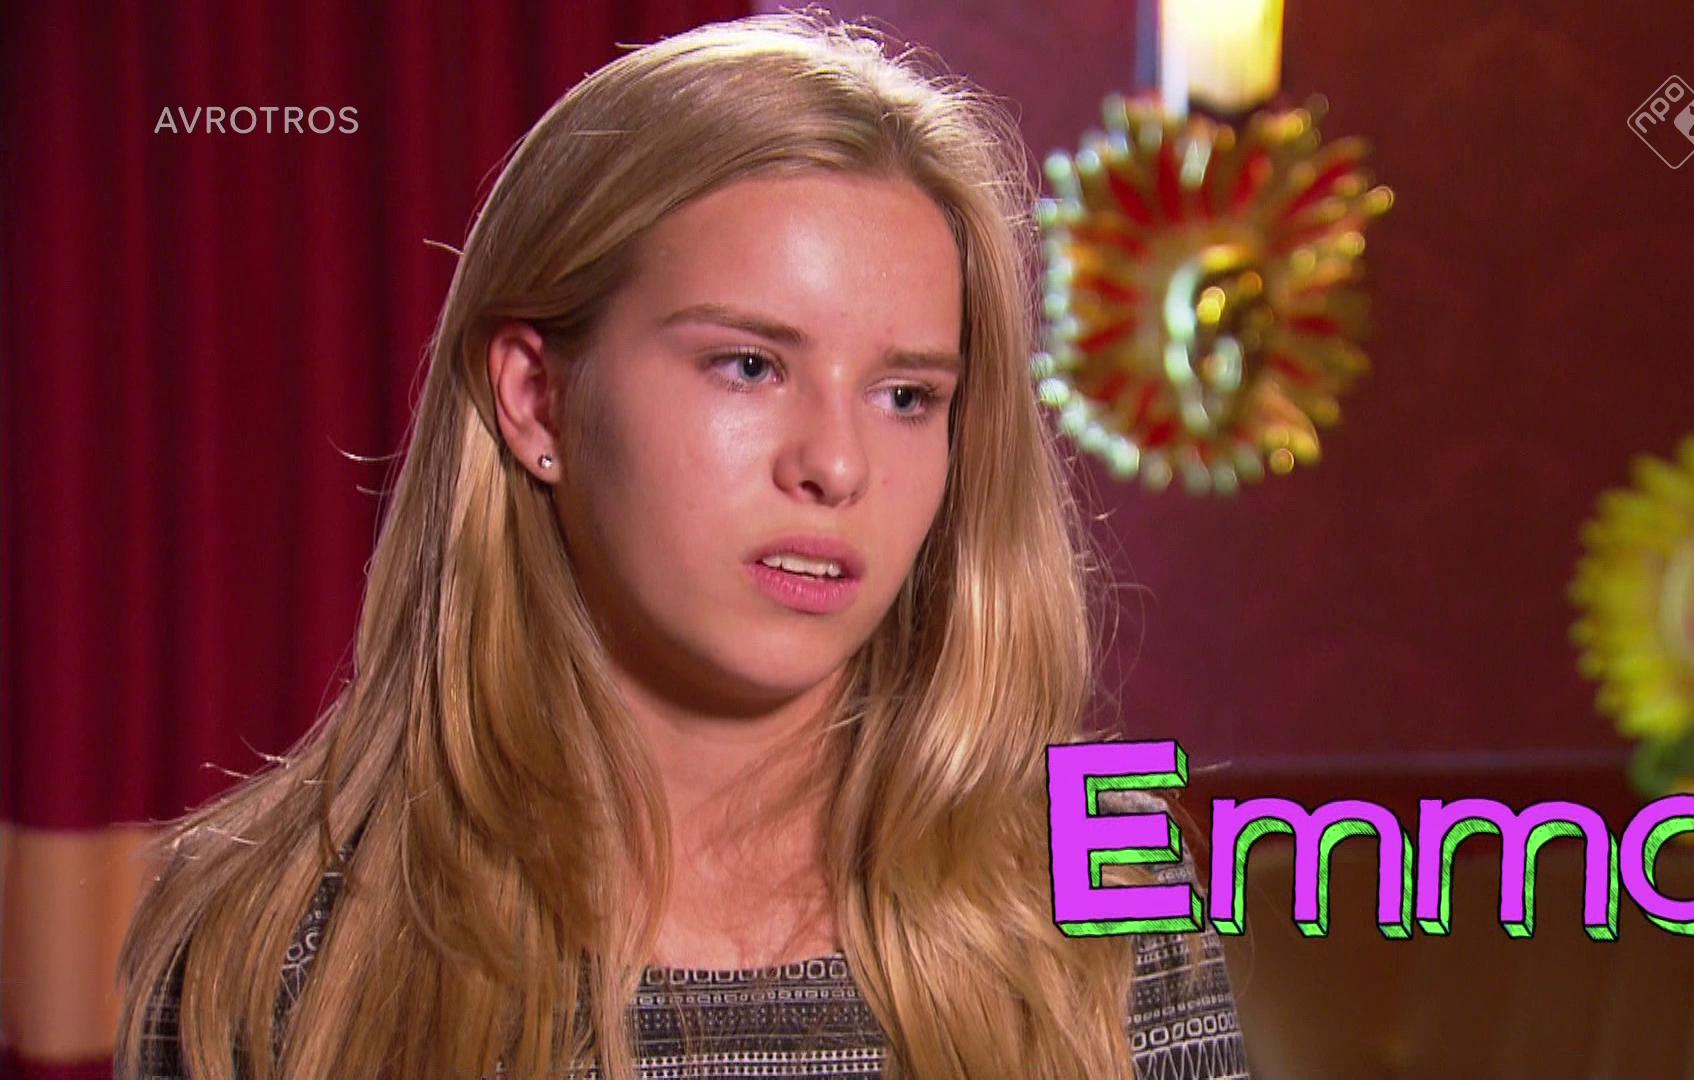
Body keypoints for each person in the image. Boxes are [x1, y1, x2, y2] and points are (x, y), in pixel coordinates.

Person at [115, 13, 1250, 1079]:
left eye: (906, 395)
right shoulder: (275, 944)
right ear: (537, 398)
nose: (837, 465)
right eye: (749, 366)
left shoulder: (1097, 897)